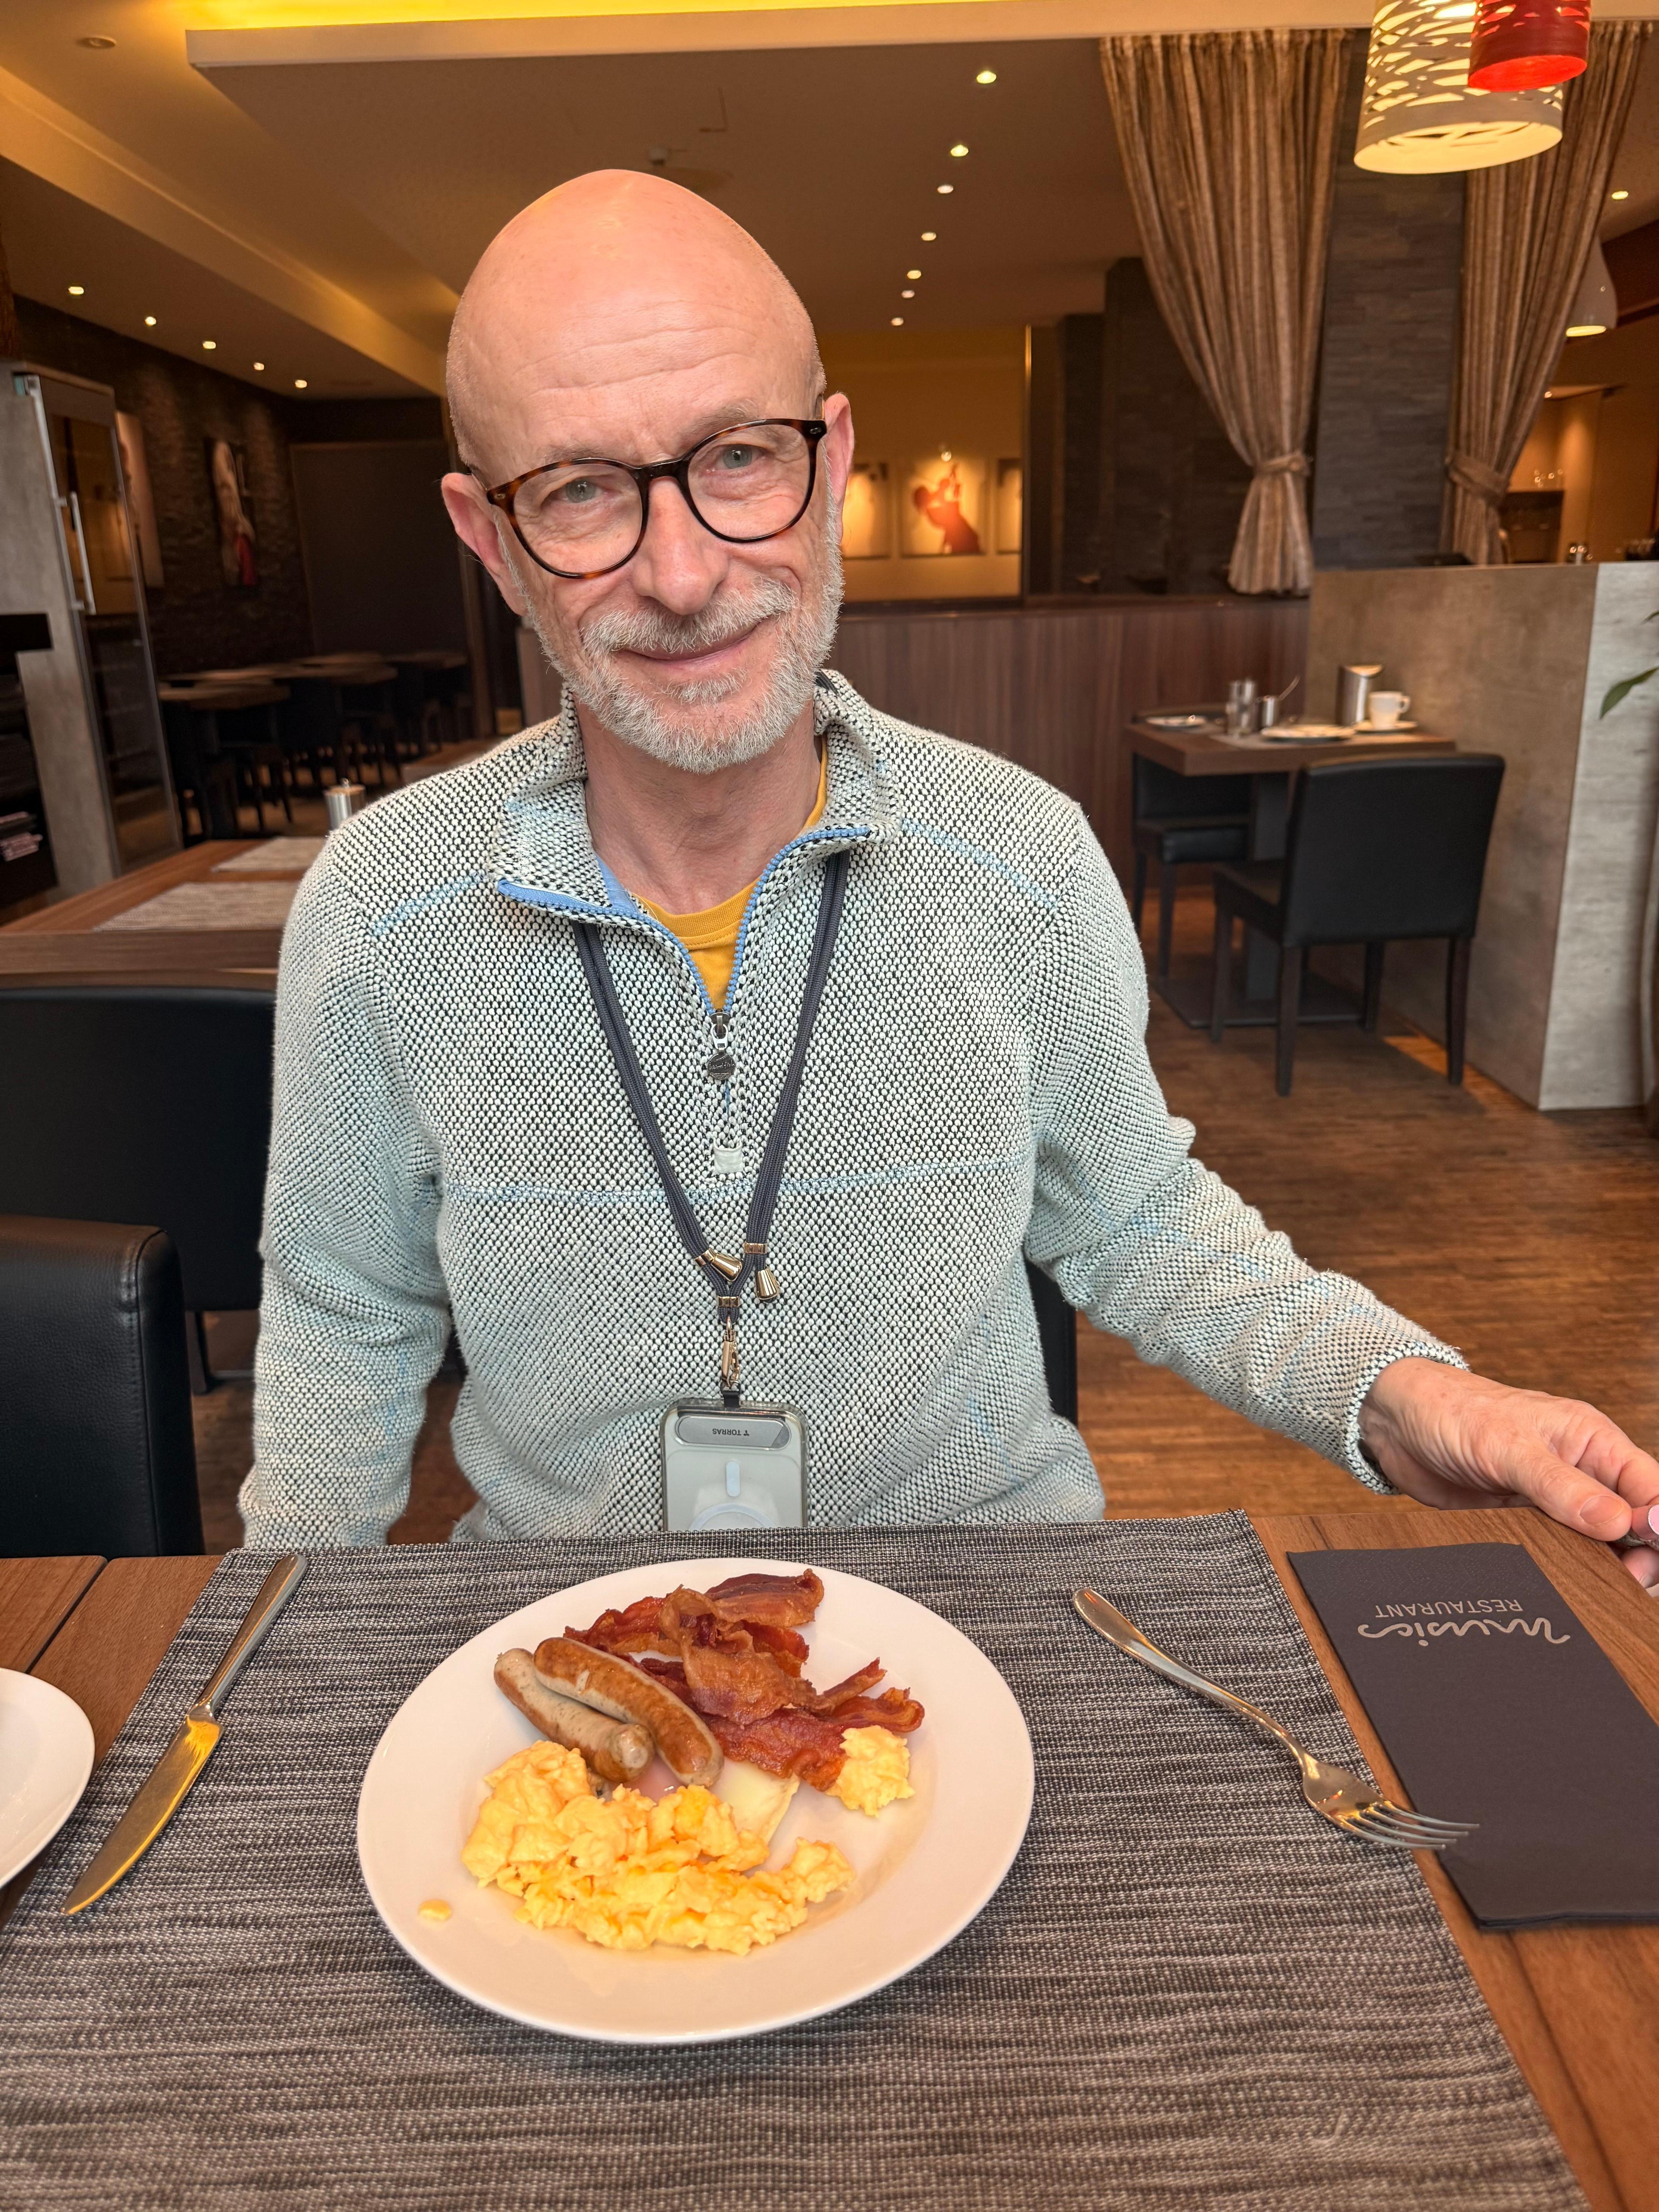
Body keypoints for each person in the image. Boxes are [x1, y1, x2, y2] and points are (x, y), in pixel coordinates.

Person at [241, 172, 1658, 1589]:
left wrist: (1409, 1398)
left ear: (831, 463)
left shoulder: (1019, 856)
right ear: (491, 540)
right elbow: (345, 1312)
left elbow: (1135, 1218)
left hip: (995, 1598)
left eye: (737, 457)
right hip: (581, 1626)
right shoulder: (383, 904)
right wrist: (273, 1641)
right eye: (579, 490)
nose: (680, 574)